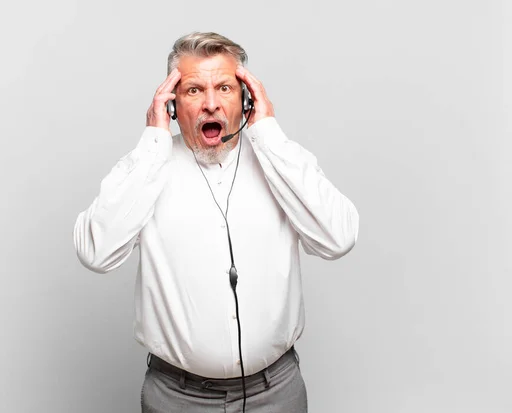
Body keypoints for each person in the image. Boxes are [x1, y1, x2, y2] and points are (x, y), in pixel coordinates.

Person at [73, 32, 359, 413]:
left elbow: (338, 239)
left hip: (277, 392)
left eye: (224, 87)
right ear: (172, 105)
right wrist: (153, 141)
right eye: (193, 90)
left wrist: (268, 134)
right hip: (176, 398)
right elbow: (96, 252)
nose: (210, 104)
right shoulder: (146, 168)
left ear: (246, 98)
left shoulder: (282, 163)